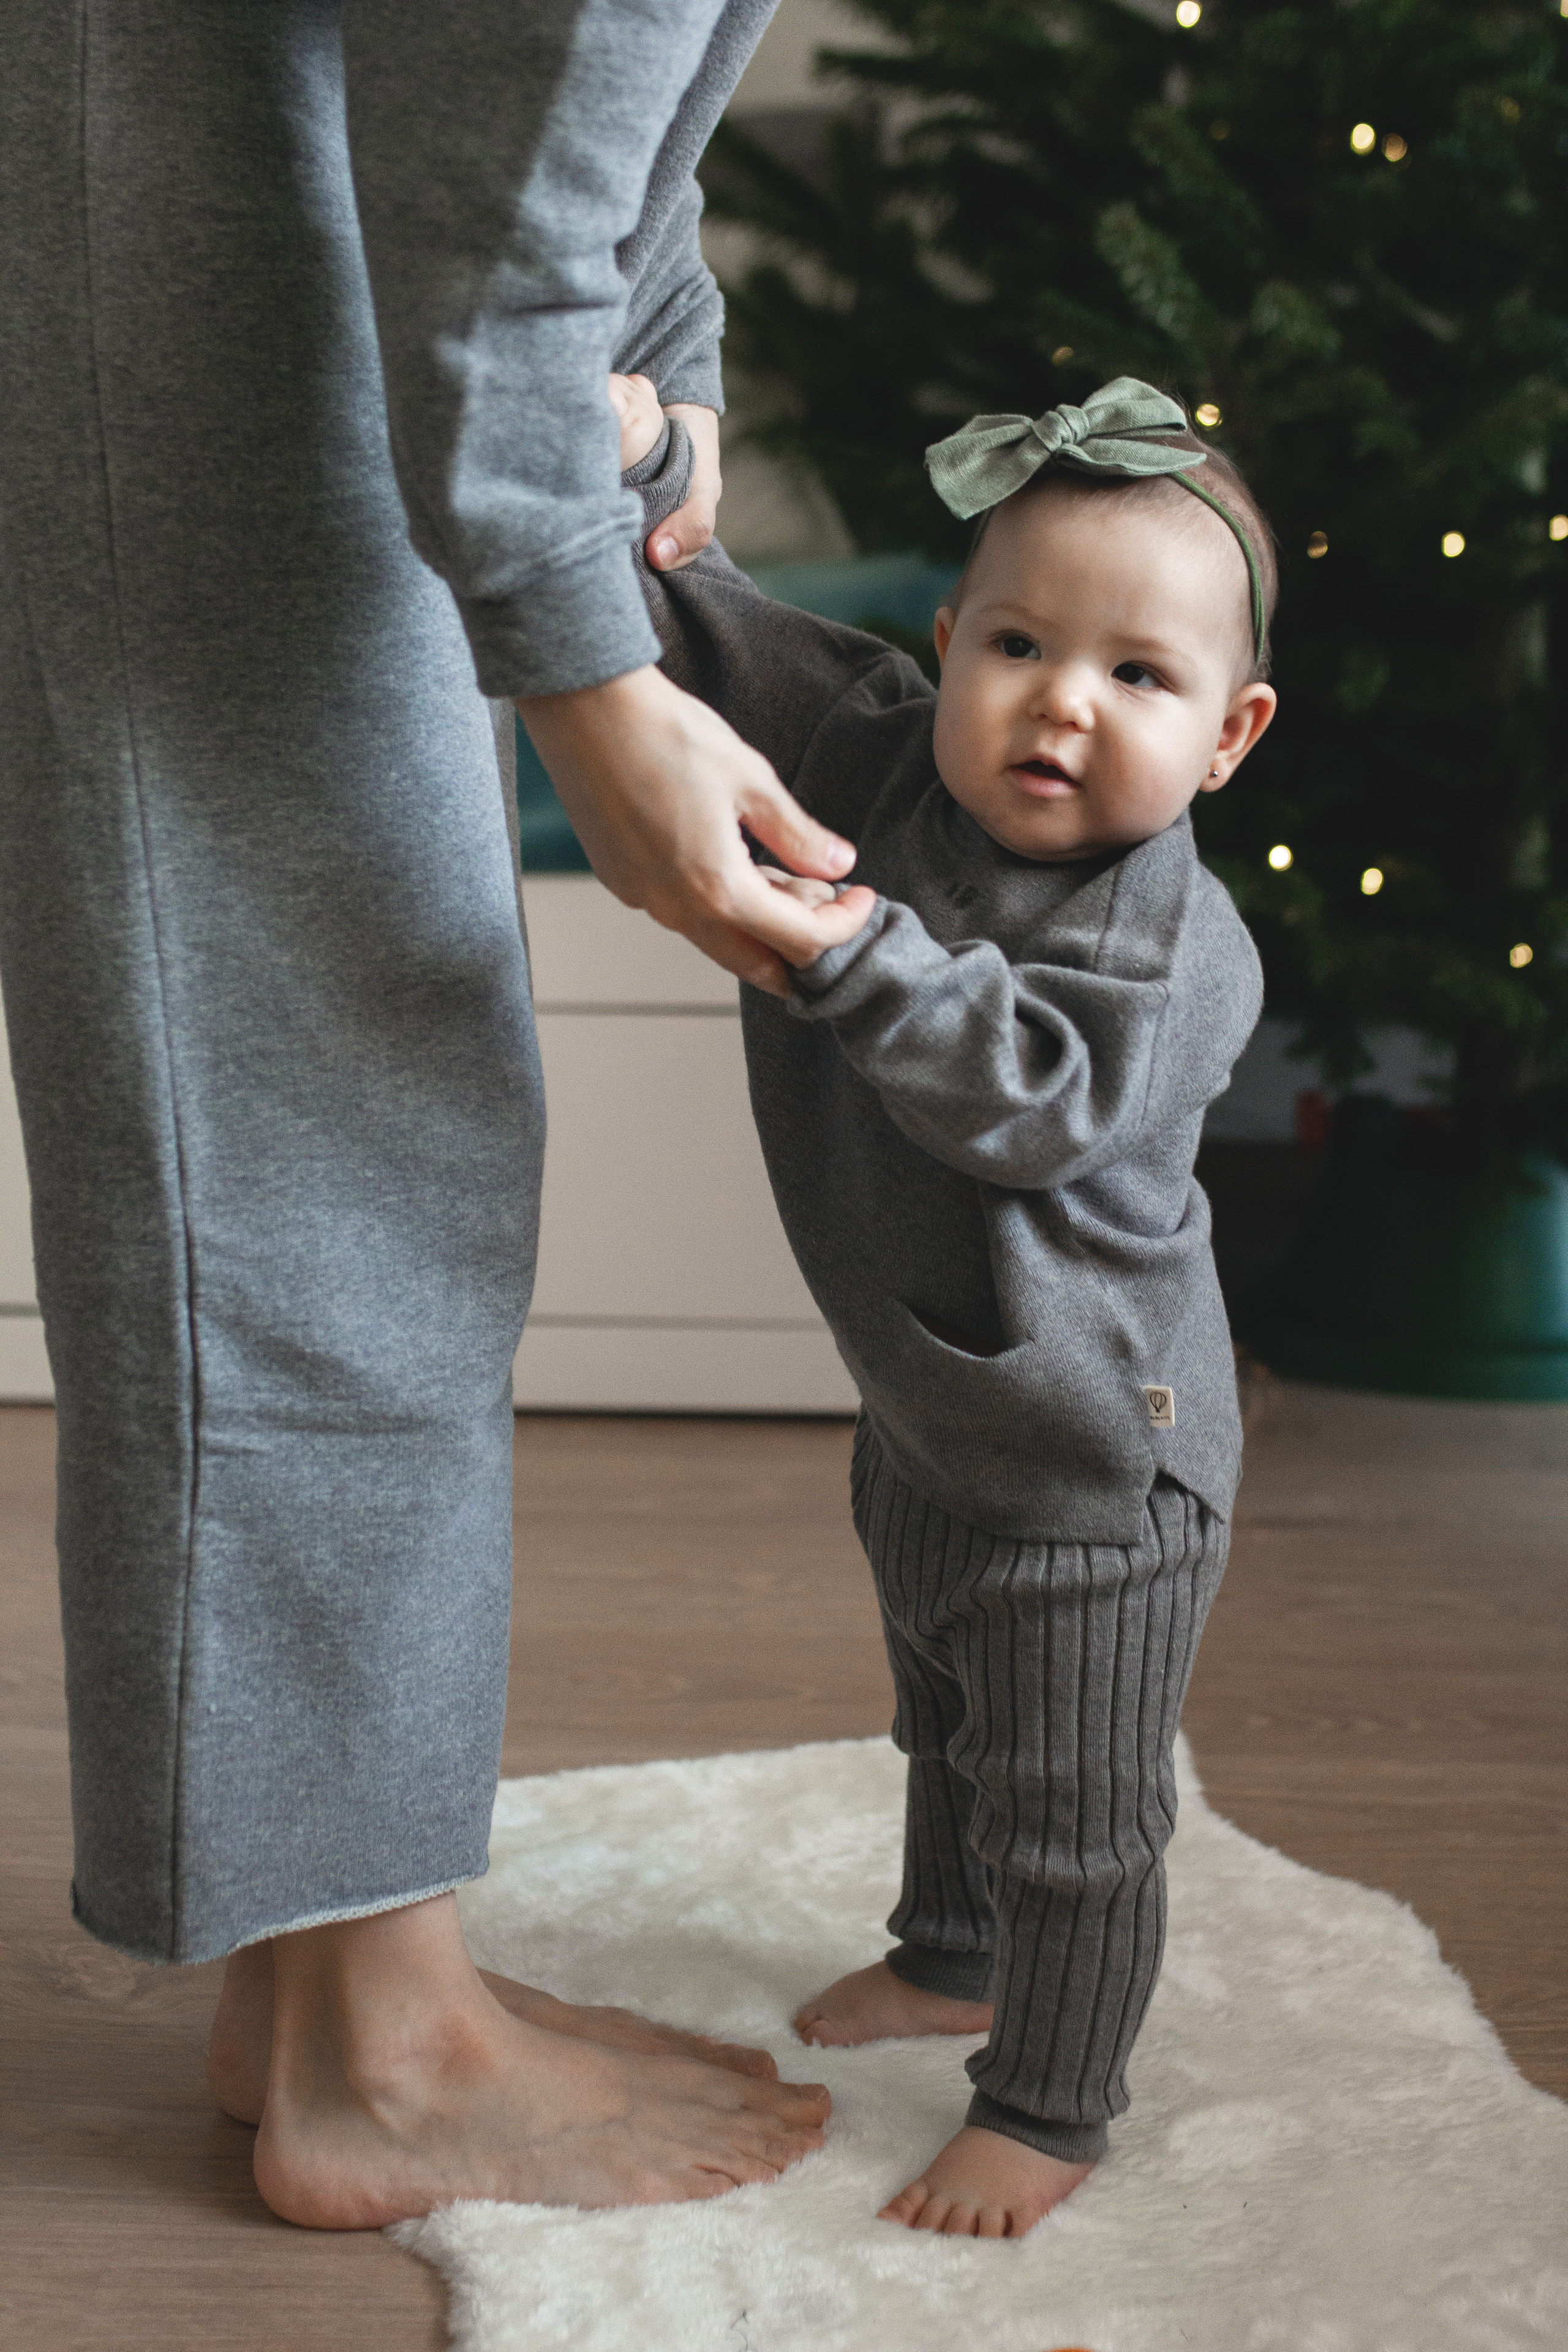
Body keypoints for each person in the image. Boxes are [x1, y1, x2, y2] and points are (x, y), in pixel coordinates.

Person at [0, 1, 867, 2232]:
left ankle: (321, 1974)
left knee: (342, 1092)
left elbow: (580, 111)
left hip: (241, 177)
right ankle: (378, 2053)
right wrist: (590, 678)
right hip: (179, 211)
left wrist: (657, 405)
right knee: (298, 1096)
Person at [612, 371, 1276, 2237]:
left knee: (1073, 1806)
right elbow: (719, 630)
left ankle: (1054, 2102)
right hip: (926, 1407)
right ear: (947, 643)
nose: (1062, 699)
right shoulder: (893, 756)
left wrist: (859, 955)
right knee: (943, 1722)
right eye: (1019, 643)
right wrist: (641, 492)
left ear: (1229, 737)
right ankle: (948, 1950)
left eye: (1138, 679)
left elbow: (1040, 1098)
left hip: (1092, 1466)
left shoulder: (1170, 944)